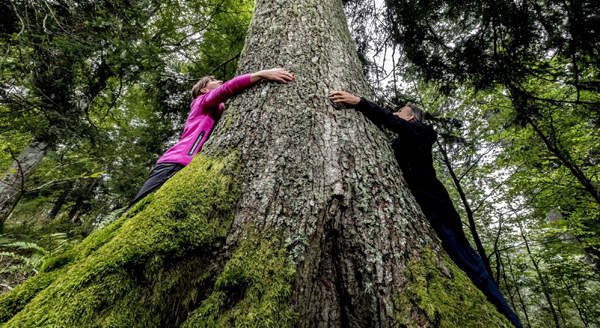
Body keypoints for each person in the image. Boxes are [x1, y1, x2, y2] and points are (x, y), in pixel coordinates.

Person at [328, 91, 523, 328]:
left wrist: (360, 102)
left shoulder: (420, 132)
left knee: (473, 269)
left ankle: (511, 321)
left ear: (410, 118)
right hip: (424, 209)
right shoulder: (399, 141)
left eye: (399, 111)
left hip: (437, 208)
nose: (394, 113)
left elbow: (390, 121)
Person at [127, 68, 294, 210]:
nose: (219, 80)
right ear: (204, 90)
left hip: (188, 165)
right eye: (213, 80)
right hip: (175, 162)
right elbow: (228, 88)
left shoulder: (214, 111)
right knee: (138, 210)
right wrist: (263, 74)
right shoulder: (200, 102)